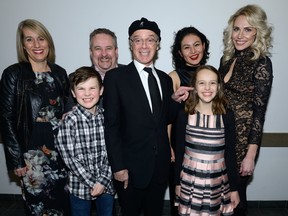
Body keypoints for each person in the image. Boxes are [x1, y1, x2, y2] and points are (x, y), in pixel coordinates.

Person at [103, 17, 178, 216]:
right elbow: (111, 127)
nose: (144, 45)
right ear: (130, 44)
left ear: (158, 44)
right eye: (138, 40)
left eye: (150, 39)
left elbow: (164, 120)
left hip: (159, 168)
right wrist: (118, 167)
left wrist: (176, 101)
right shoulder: (115, 78)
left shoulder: (165, 79)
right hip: (130, 170)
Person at [0, 19, 70, 215]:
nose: (37, 45)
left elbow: (67, 109)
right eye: (29, 40)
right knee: (38, 206)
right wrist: (16, 160)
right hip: (32, 154)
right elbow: (6, 118)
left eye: (41, 39)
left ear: (48, 42)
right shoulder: (13, 74)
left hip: (61, 150)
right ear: (23, 45)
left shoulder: (60, 73)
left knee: (63, 204)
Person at [218, 4, 273, 216]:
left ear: (258, 32)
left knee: (236, 197)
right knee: (219, 198)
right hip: (220, 138)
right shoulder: (226, 60)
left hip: (241, 145)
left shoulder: (261, 63)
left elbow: (259, 114)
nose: (240, 35)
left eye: (248, 29)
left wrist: (251, 155)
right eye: (236, 29)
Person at [174, 65, 240, 216]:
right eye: (202, 83)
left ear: (218, 86)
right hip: (190, 181)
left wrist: (234, 189)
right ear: (195, 87)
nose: (207, 87)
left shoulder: (226, 115)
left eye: (212, 83)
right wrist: (177, 183)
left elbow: (230, 154)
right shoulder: (184, 114)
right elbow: (179, 151)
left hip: (216, 182)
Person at [55, 66, 115, 216]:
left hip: (106, 184)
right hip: (79, 187)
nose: (87, 94)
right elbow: (70, 159)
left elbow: (113, 151)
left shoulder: (107, 118)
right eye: (81, 89)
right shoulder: (68, 121)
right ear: (74, 93)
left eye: (92, 88)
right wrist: (93, 182)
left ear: (101, 91)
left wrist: (102, 181)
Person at [168, 26, 210, 216]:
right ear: (180, 52)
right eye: (186, 47)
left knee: (206, 200)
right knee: (181, 201)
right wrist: (169, 146)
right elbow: (166, 118)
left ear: (203, 46)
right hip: (181, 147)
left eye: (196, 45)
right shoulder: (174, 77)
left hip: (207, 148)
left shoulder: (212, 75)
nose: (193, 51)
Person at [66, 28, 123, 110]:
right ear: (91, 52)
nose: (104, 54)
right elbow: (69, 110)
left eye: (108, 48)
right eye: (98, 49)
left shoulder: (132, 75)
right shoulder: (76, 78)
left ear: (116, 51)